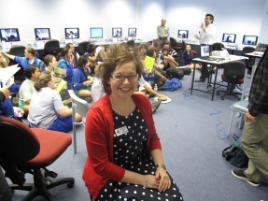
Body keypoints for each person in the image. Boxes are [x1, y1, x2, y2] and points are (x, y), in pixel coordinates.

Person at [82, 44, 183, 201]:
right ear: (108, 79)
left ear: (138, 77)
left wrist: (161, 167)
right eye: (119, 76)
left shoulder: (142, 102)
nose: (127, 82)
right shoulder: (97, 115)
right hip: (110, 176)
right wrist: (143, 180)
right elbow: (101, 166)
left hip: (141, 163)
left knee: (174, 197)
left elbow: (153, 139)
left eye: (131, 75)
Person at [231, 48, 268, 187]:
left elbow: (266, 85)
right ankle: (252, 175)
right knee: (263, 143)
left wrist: (254, 110)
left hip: (263, 109)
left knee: (248, 143)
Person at [195, 13, 217, 82]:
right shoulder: (204, 27)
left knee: (204, 63)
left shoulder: (213, 27)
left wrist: (203, 28)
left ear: (211, 20)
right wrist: (197, 35)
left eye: (207, 19)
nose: (205, 20)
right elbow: (200, 36)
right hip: (203, 44)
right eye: (205, 18)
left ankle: (203, 77)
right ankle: (206, 74)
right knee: (203, 63)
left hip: (207, 45)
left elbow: (209, 35)